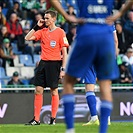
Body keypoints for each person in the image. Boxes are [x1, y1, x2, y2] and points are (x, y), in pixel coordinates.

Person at [50, 0, 133, 133]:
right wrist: (120, 14)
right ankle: (103, 129)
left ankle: (70, 129)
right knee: (105, 86)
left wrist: (66, 15)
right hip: (105, 39)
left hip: (86, 35)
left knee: (68, 82)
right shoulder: (110, 18)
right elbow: (116, 40)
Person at [25, 9, 69, 125]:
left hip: (54, 64)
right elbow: (27, 38)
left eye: (47, 18)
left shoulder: (60, 32)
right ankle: (36, 119)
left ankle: (53, 119)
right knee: (38, 90)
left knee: (54, 91)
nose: (45, 20)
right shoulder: (42, 31)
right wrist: (36, 27)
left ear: (54, 19)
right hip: (43, 63)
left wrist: (63, 69)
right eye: (44, 18)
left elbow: (65, 53)